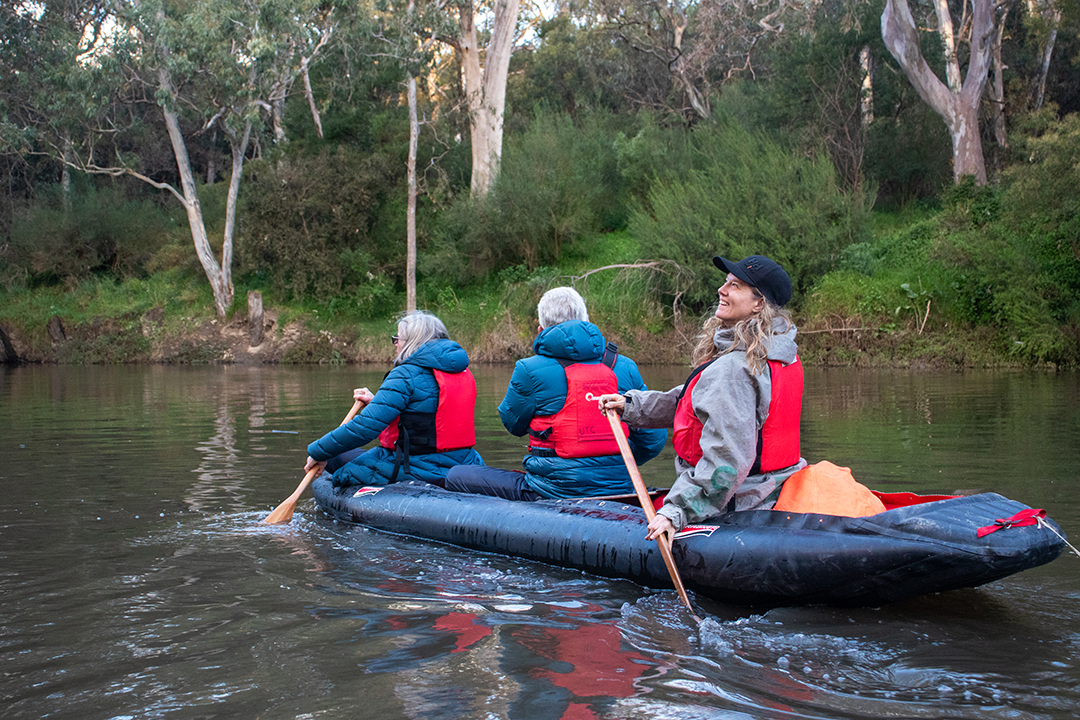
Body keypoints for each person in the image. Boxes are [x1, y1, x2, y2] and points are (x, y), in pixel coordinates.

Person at [599, 254, 807, 541]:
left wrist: (676, 512)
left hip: (740, 504)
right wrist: (633, 405)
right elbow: (695, 403)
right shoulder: (783, 354)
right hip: (777, 490)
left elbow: (728, 461)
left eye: (735, 285)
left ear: (759, 303)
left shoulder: (734, 369)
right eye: (726, 282)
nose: (722, 290)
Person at [445, 287, 667, 500]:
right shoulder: (624, 366)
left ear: (541, 330)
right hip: (621, 486)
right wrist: (610, 465)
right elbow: (653, 438)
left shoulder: (528, 369)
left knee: (457, 475)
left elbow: (513, 426)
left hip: (552, 490)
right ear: (587, 321)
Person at [305, 310, 484, 488]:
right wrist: (377, 402)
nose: (395, 344)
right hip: (465, 461)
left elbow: (364, 429)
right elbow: (427, 417)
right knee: (338, 455)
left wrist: (317, 452)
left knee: (338, 468)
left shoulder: (405, 375)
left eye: (397, 339)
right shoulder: (463, 372)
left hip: (416, 467)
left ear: (412, 342)